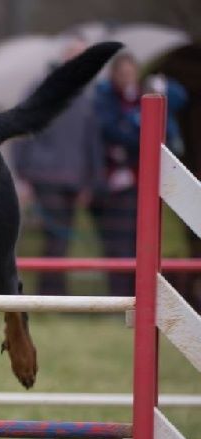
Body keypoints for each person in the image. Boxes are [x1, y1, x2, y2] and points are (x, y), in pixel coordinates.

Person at [13, 38, 105, 295]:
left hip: (75, 180)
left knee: (60, 241)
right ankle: (51, 295)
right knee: (56, 240)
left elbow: (92, 141)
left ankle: (52, 294)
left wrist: (91, 182)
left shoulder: (87, 94)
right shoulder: (41, 88)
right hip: (44, 176)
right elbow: (21, 129)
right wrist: (23, 175)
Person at [94, 53, 187, 296]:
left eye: (130, 73)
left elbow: (176, 105)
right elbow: (114, 132)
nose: (126, 78)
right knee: (119, 248)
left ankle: (146, 296)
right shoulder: (106, 98)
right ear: (114, 75)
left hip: (150, 183)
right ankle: (122, 299)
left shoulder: (146, 93)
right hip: (118, 189)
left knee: (149, 247)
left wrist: (163, 85)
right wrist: (137, 129)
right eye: (121, 73)